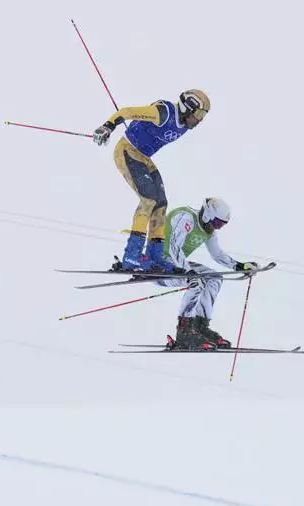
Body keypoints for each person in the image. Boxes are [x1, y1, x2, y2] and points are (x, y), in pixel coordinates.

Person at [92, 90, 210, 272]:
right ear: (187, 108)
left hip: (143, 158)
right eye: (199, 114)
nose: (199, 120)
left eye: (203, 116)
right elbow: (127, 112)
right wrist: (107, 127)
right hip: (127, 151)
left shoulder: (185, 125)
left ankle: (155, 256)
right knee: (148, 199)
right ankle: (132, 256)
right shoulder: (163, 113)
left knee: (161, 203)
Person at [150, 197, 258, 350]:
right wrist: (188, 271)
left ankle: (199, 326)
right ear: (208, 215)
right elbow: (174, 247)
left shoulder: (209, 231)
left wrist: (239, 266)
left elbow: (217, 254)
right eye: (218, 223)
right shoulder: (186, 218)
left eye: (222, 225)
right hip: (158, 267)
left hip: (177, 266)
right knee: (196, 281)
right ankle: (184, 332)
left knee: (215, 278)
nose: (218, 228)